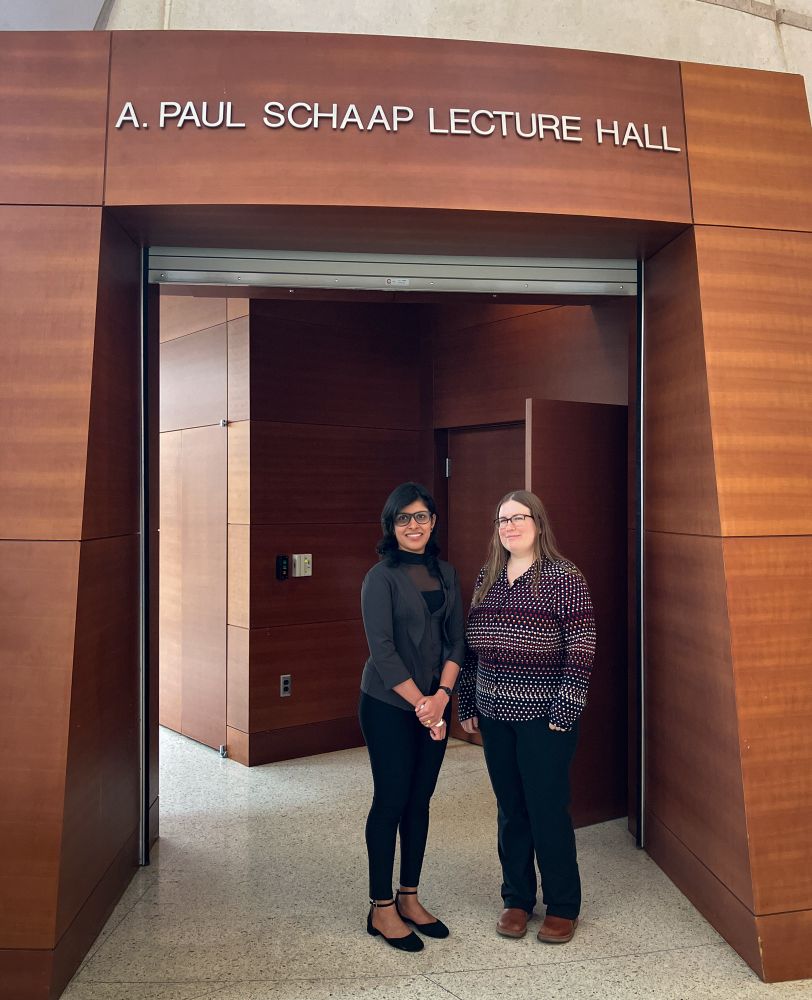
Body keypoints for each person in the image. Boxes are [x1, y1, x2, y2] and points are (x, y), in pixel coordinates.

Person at [458, 489, 596, 944]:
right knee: (510, 808)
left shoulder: (563, 577)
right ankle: (517, 898)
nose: (510, 526)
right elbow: (471, 648)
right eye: (502, 520)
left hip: (546, 716)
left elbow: (581, 646)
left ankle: (562, 905)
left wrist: (566, 708)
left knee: (546, 809)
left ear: (538, 523)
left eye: (518, 517)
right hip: (494, 714)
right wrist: (467, 702)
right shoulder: (489, 575)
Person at [359, 481, 465, 952]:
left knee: (420, 800)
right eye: (404, 518)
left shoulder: (448, 573)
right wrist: (424, 705)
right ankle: (381, 906)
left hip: (435, 703)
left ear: (433, 522)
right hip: (388, 705)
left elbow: (457, 641)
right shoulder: (379, 577)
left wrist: (441, 697)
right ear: (392, 525)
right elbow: (382, 652)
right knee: (391, 800)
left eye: (421, 516)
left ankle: (409, 896)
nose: (414, 525)